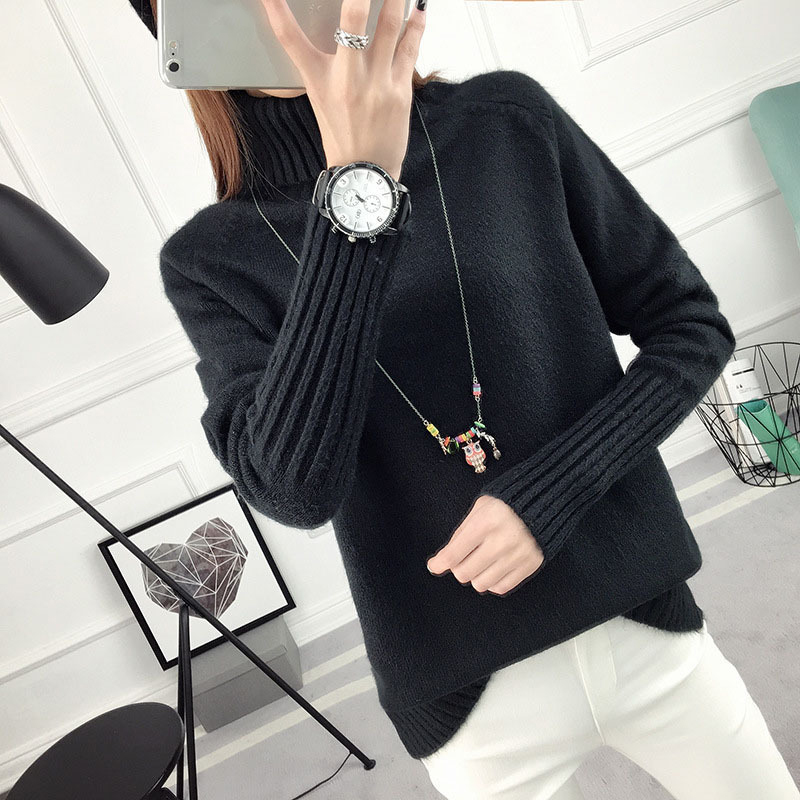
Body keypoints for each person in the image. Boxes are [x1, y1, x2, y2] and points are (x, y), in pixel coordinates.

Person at [128, 0, 800, 797]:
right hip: (467, 702)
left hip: (643, 619)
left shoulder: (505, 121)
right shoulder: (210, 260)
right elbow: (294, 490)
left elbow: (688, 324)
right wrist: (358, 196)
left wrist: (550, 496)